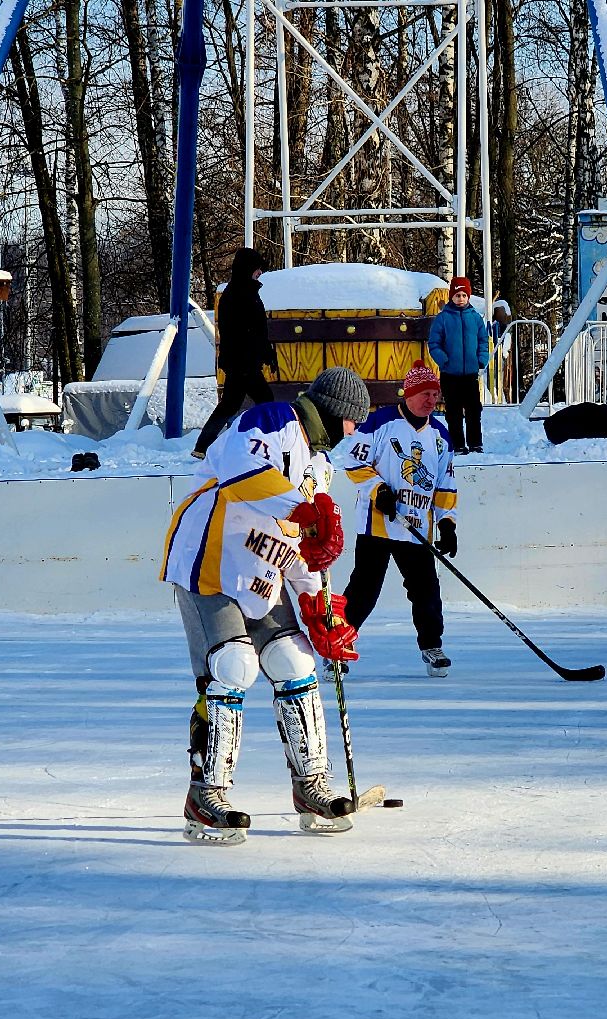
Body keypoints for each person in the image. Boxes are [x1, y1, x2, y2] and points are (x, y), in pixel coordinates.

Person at [163, 366, 372, 845]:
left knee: (294, 658)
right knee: (232, 665)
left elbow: (303, 544)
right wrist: (301, 511)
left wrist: (323, 608)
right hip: (210, 564)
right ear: (335, 412)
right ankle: (206, 793)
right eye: (352, 421)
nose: (354, 432)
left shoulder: (320, 468)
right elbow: (241, 473)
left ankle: (311, 785)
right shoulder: (274, 420)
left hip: (261, 572)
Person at [341, 365, 459, 677]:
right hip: (377, 525)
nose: (431, 400)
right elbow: (353, 461)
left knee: (426, 590)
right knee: (364, 590)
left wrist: (447, 523)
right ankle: (337, 645)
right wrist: (378, 491)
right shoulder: (381, 422)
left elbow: (446, 484)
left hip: (416, 526)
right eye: (425, 394)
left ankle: (432, 646)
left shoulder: (441, 436)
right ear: (409, 394)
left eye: (435, 394)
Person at [192, 247, 279, 459]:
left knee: (229, 405)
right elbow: (246, 332)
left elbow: (255, 330)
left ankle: (202, 447)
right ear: (248, 268)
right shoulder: (240, 294)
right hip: (244, 362)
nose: (260, 273)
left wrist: (265, 353)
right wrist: (259, 354)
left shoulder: (242, 291)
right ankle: (276, 441)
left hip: (241, 361)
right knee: (266, 401)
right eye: (257, 269)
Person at [427, 275, 490, 453]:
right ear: (451, 297)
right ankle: (457, 444)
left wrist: (481, 359)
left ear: (468, 297)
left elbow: (483, 340)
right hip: (450, 374)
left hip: (470, 373)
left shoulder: (475, 318)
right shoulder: (443, 318)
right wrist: (443, 359)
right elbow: (434, 343)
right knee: (453, 412)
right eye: (457, 295)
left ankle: (475, 443)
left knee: (473, 410)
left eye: (464, 295)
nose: (460, 299)